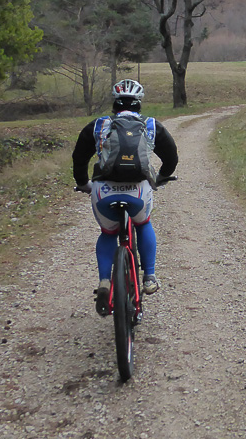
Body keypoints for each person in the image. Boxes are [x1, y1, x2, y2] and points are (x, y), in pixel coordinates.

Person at [72, 79, 178, 316]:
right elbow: (171, 157)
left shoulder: (98, 125)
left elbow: (79, 158)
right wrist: (161, 177)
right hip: (138, 191)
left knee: (108, 233)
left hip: (103, 190)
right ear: (139, 103)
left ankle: (104, 281)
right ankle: (149, 277)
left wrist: (83, 183)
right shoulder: (150, 125)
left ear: (115, 102)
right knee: (143, 224)